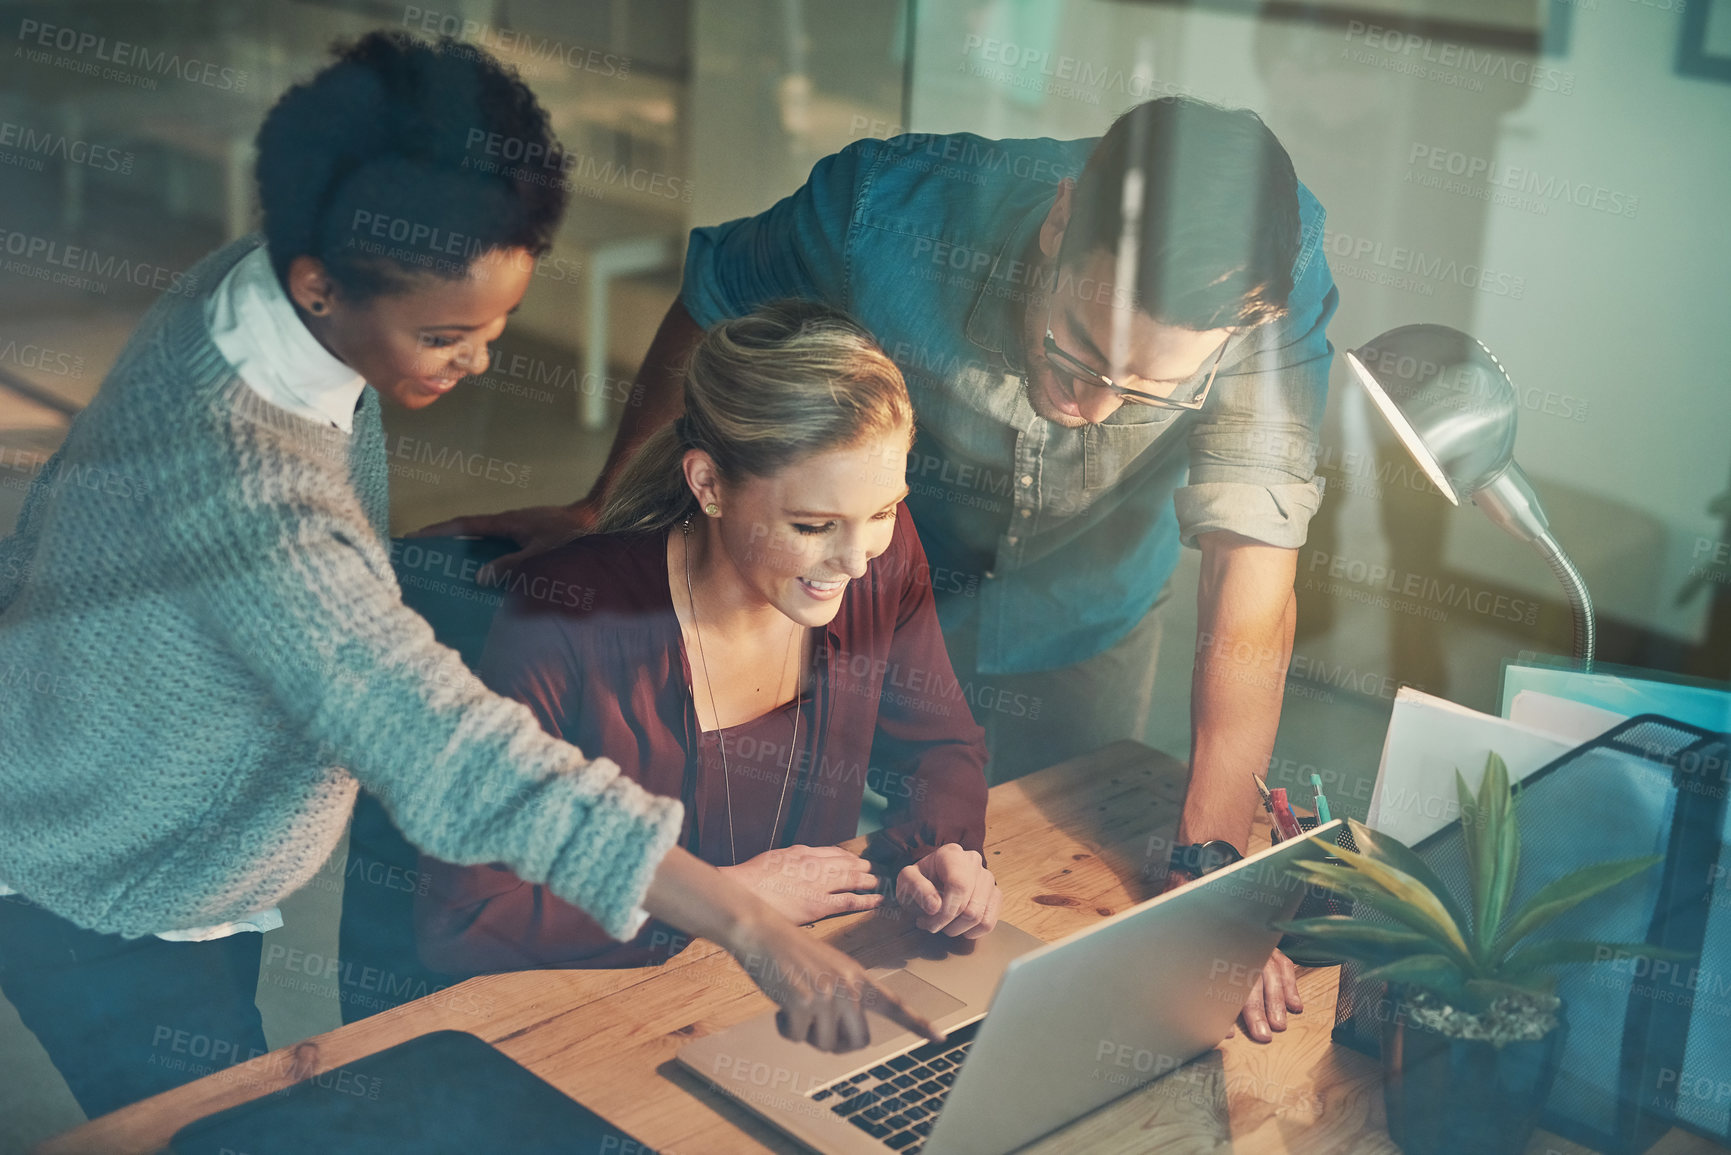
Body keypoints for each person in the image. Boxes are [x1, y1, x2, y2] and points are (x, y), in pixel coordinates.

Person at [0, 32, 927, 1120]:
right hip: (106, 881)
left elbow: (79, 516)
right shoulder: (251, 497)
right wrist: (743, 921)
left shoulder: (268, 286)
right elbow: (461, 762)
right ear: (320, 284)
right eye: (447, 334)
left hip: (168, 831)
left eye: (496, 324)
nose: (481, 361)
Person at [420, 96, 1340, 1043]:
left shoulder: (1260, 280)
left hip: (1079, 598)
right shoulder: (885, 215)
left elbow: (1251, 589)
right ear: (1059, 223)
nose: (1095, 406)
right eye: (1079, 347)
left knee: (1047, 878)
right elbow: (715, 301)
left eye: (1148, 389)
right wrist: (612, 507)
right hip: (883, 564)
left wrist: (1208, 878)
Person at [414, 302, 998, 977]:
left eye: (882, 510)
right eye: (812, 525)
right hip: (602, 1016)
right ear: (708, 484)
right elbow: (466, 921)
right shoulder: (564, 619)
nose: (857, 560)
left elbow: (939, 747)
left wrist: (944, 853)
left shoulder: (879, 560)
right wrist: (722, 900)